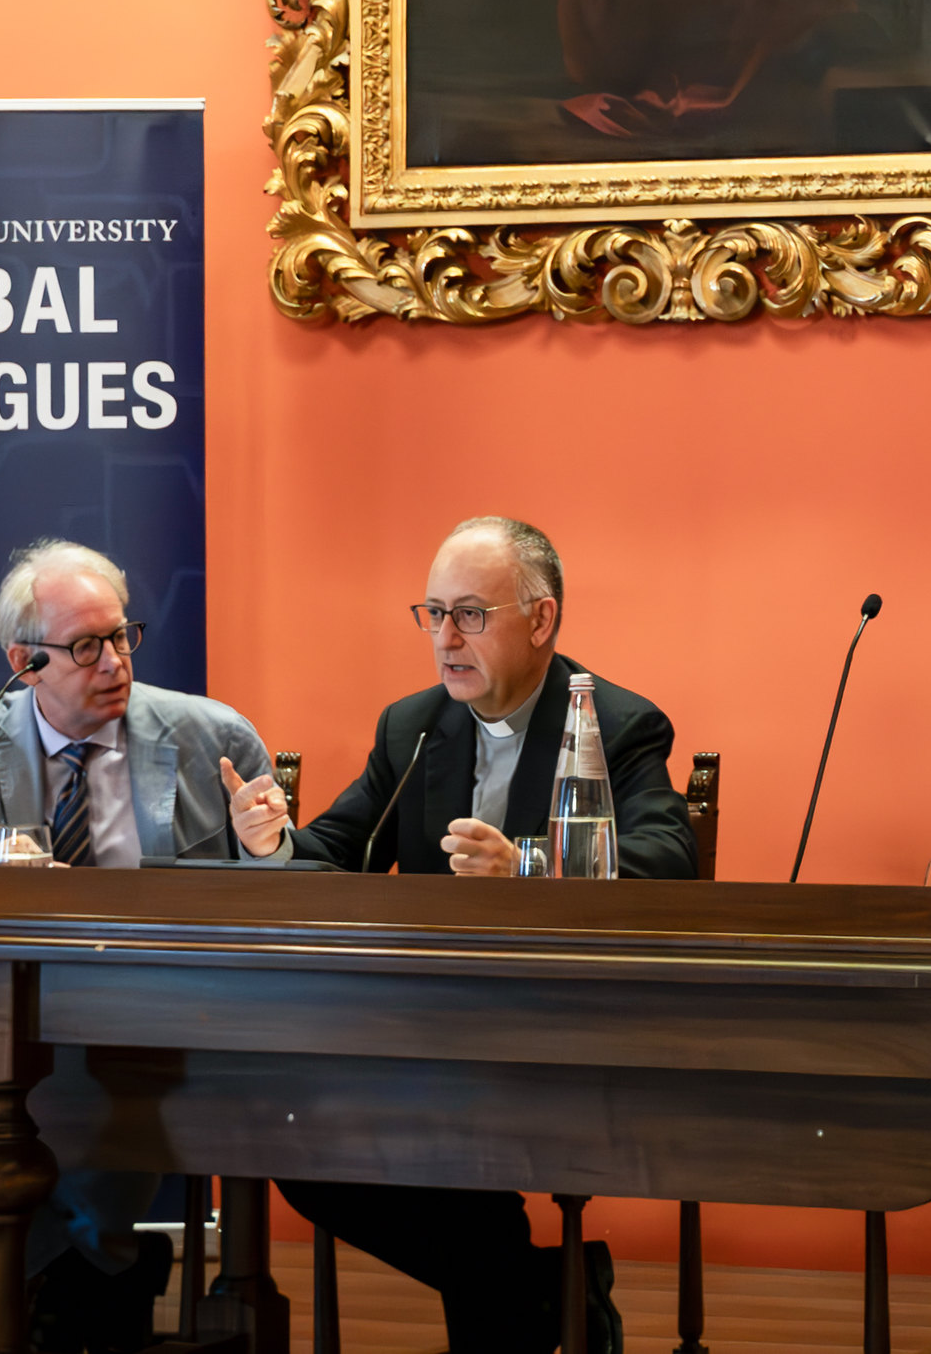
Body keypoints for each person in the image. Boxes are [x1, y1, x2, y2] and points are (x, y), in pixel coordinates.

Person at [223, 516, 695, 1354]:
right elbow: (338, 854)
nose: (445, 638)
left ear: (541, 620)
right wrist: (274, 844)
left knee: (458, 1139)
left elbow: (668, 862)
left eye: (470, 614)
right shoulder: (411, 727)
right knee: (298, 1141)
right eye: (432, 612)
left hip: (558, 1030)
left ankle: (522, 1314)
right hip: (426, 1031)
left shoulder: (617, 722)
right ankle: (550, 1296)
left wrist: (529, 864)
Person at [0, 538, 277, 1354]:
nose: (114, 661)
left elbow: (280, 885)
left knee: (92, 1095)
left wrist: (264, 848)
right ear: (24, 661)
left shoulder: (208, 733)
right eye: (86, 647)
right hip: (7, 1009)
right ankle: (86, 1268)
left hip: (158, 1013)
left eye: (122, 636)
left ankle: (77, 1280)